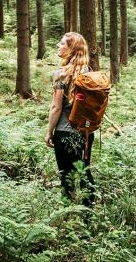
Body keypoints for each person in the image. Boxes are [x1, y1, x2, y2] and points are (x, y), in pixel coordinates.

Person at [45, 32, 96, 207]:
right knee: (83, 172)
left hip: (64, 133)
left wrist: (49, 132)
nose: (58, 46)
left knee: (66, 176)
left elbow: (56, 107)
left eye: (62, 44)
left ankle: (68, 214)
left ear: (71, 49)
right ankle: (88, 213)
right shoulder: (88, 72)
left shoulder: (60, 75)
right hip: (85, 132)